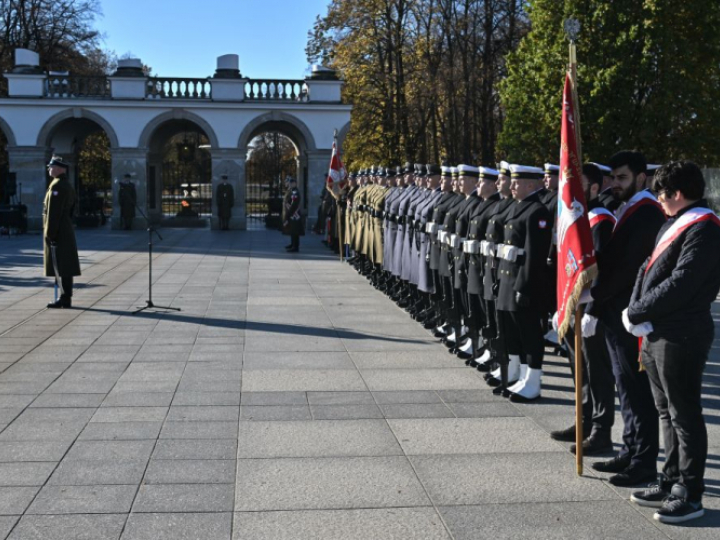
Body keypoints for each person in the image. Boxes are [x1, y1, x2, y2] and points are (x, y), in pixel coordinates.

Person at [626, 161, 720, 524]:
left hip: (682, 333)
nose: (659, 201)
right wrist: (634, 309)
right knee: (666, 411)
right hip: (657, 331)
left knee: (684, 415)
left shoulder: (705, 229)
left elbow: (682, 282)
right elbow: (647, 269)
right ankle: (669, 480)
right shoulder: (673, 223)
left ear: (678, 194)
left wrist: (637, 311)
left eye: (662, 194)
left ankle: (690, 492)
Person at [588, 150, 666, 486]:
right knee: (625, 388)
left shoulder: (647, 213)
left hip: (628, 315)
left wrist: (595, 301)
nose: (615, 184)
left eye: (622, 178)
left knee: (637, 391)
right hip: (617, 313)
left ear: (641, 178)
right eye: (613, 178)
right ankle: (631, 449)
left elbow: (627, 269)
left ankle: (644, 463)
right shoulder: (630, 209)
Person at [43, 156, 81, 309]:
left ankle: (64, 298)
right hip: (64, 228)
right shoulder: (64, 184)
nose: (49, 169)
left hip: (59, 231)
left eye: (51, 167)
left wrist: (50, 234)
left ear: (59, 169)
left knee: (61, 266)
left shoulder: (58, 186)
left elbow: (54, 213)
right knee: (64, 265)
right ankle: (65, 297)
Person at [282, 176, 302, 252]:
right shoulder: (292, 191)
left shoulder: (295, 192)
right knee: (292, 230)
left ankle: (295, 246)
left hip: (294, 214)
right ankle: (293, 244)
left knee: (295, 230)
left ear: (295, 183)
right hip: (292, 213)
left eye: (292, 183)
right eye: (290, 183)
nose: (290, 184)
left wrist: (289, 213)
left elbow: (294, 204)